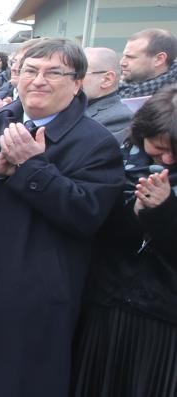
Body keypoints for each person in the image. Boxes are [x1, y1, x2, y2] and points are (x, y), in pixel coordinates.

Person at [0, 38, 125, 397]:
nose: (38, 80)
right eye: (30, 71)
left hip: (38, 288)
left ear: (76, 83)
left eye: (54, 72)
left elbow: (87, 214)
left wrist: (33, 167)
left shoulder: (96, 141)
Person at [73, 85, 177, 397]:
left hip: (164, 317)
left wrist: (164, 212)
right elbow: (95, 227)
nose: (167, 159)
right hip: (107, 302)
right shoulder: (116, 156)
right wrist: (134, 210)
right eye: (158, 147)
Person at [83, 47, 134, 143]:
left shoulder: (119, 118)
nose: (70, 79)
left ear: (107, 79)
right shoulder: (67, 107)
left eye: (79, 73)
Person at [119, 28, 177, 99]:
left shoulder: (172, 100)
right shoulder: (119, 88)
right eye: (124, 56)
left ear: (159, 59)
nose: (122, 63)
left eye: (130, 57)